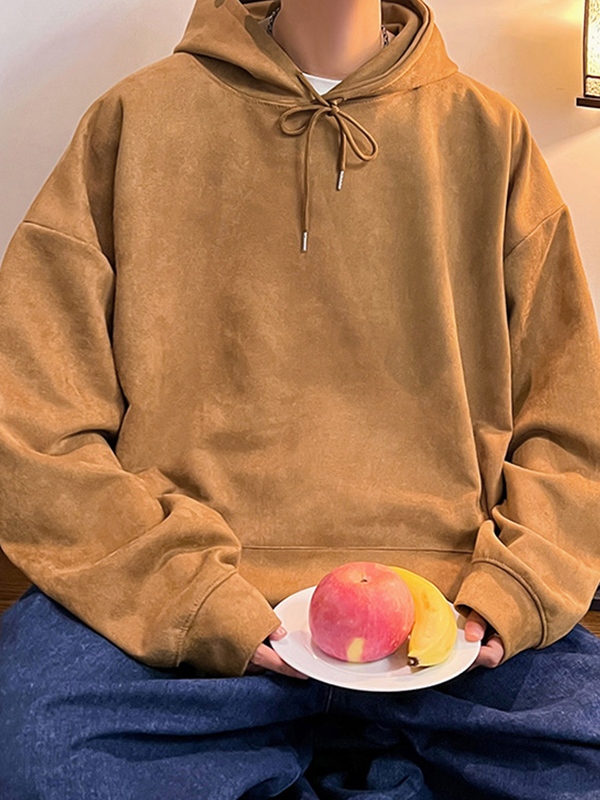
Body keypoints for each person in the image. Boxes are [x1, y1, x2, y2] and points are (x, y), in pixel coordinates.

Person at [0, 0, 599, 797]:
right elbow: (30, 418)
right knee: (38, 751)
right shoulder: (135, 118)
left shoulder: (492, 132)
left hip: (446, 612)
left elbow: (571, 422)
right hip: (193, 603)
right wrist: (188, 598)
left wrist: (514, 587)